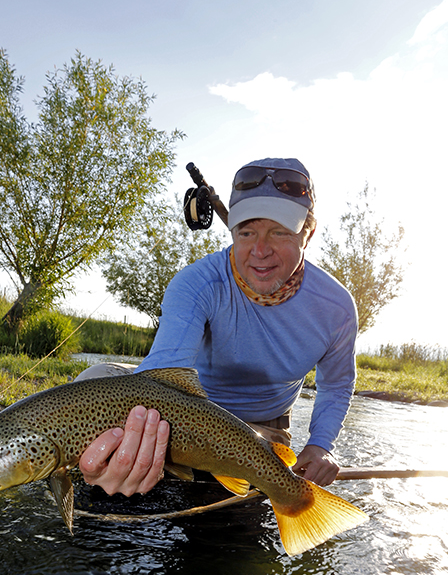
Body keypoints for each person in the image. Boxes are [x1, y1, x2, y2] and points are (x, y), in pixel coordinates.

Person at [78, 157, 358, 494]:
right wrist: (137, 436)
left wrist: (320, 445)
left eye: (279, 232)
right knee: (92, 382)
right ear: (233, 230)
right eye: (247, 231)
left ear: (307, 234)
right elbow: (163, 372)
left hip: (259, 430)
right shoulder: (197, 283)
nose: (259, 251)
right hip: (181, 416)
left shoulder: (336, 308)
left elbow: (337, 384)